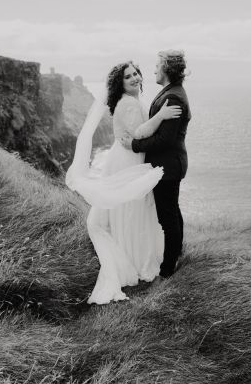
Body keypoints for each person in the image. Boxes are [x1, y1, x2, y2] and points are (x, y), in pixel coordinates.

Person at [66, 60, 181, 304]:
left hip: (127, 156)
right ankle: (136, 259)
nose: (136, 78)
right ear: (120, 83)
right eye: (129, 77)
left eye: (137, 74)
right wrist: (161, 115)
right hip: (129, 159)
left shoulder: (131, 100)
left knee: (133, 209)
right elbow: (140, 133)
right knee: (134, 209)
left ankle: (138, 254)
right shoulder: (128, 103)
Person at [121, 50, 191, 278]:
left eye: (157, 65)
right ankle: (177, 253)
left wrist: (134, 145)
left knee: (167, 217)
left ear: (167, 69)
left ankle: (168, 269)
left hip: (168, 166)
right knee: (172, 211)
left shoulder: (174, 97)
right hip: (169, 165)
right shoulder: (171, 93)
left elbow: (165, 140)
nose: (153, 70)